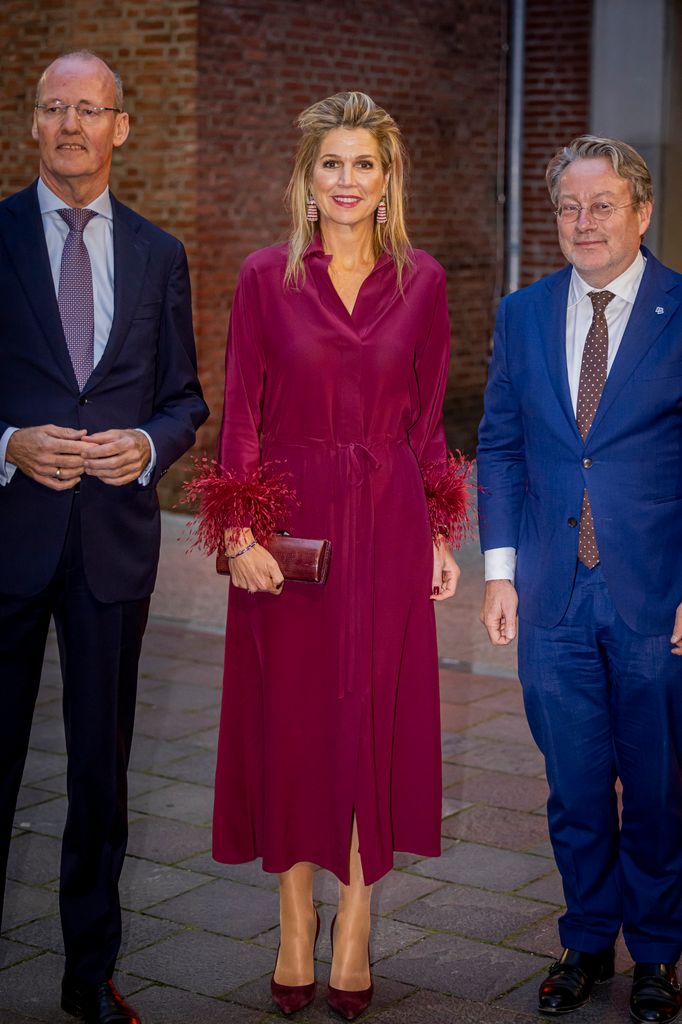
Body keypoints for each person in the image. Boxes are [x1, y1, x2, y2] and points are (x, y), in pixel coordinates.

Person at [189, 91, 471, 1020]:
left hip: (387, 526)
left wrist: (439, 531)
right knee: (294, 726)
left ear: (389, 182)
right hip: (293, 532)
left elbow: (428, 425)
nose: (347, 181)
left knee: (371, 727)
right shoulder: (266, 277)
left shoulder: (423, 280)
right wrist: (237, 532)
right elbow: (240, 417)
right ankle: (294, 924)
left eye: (365, 165)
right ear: (306, 179)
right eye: (331, 165)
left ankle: (351, 926)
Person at [0, 50, 207, 1024]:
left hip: (112, 548)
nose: (73, 124)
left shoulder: (161, 253)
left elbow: (184, 396)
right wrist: (6, 439)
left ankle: (90, 975)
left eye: (91, 109)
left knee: (99, 772)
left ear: (123, 126)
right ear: (31, 125)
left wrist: (146, 442)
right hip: (7, 537)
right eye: (55, 108)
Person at [477, 135, 682, 1023]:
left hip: (655, 597)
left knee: (662, 785)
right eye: (568, 206)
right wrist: (499, 571)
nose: (583, 222)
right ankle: (588, 942)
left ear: (641, 212)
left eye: (602, 205)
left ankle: (660, 957)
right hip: (553, 594)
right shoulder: (522, 314)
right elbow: (501, 444)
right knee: (575, 784)